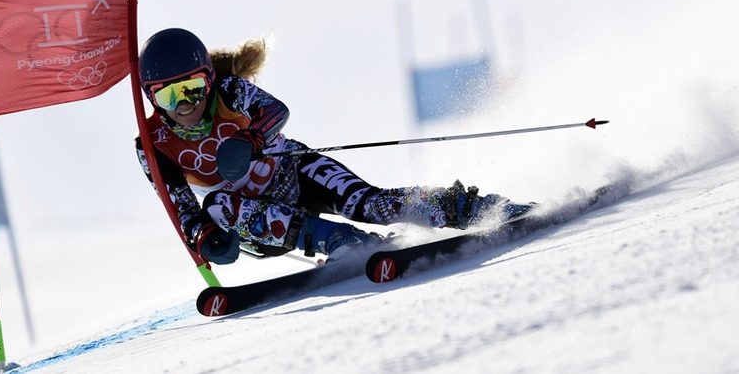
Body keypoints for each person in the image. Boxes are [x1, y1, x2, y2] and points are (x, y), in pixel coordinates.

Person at [135, 28, 530, 265]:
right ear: (151, 98)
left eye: (193, 88)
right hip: (261, 222)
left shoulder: (230, 91)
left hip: (292, 172)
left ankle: (469, 208)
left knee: (367, 201)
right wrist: (206, 239)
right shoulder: (153, 145)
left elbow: (275, 111)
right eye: (169, 96)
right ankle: (340, 242)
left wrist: (251, 138)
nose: (185, 104)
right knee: (216, 206)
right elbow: (181, 208)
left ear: (209, 79)